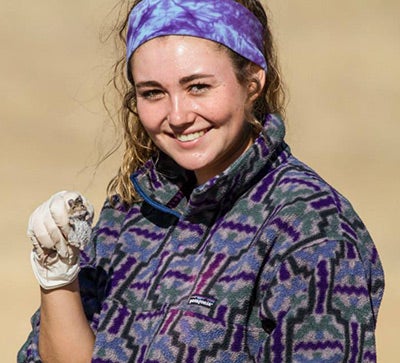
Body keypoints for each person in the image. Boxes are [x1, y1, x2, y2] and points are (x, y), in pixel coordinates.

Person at [18, 0, 384, 362]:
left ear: (253, 81)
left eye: (197, 87)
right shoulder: (130, 214)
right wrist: (59, 280)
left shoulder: (312, 229)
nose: (177, 115)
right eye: (153, 93)